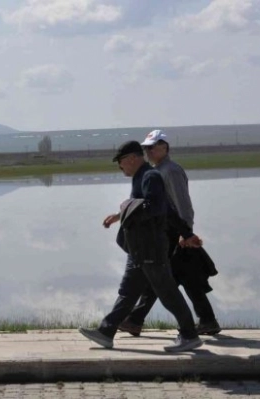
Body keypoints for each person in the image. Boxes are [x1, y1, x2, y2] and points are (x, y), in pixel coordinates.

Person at [78, 140, 204, 352]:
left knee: (167, 292)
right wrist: (122, 214)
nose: (120, 167)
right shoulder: (141, 177)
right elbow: (164, 209)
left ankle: (190, 335)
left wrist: (128, 207)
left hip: (151, 247)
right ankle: (106, 332)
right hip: (139, 248)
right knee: (128, 291)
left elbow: (156, 208)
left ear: (131, 158)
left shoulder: (150, 176)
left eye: (120, 162)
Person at [118, 130, 221, 337]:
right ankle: (206, 321)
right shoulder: (158, 170)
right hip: (169, 234)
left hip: (174, 235)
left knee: (161, 277)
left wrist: (186, 233)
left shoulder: (170, 171)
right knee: (180, 277)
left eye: (153, 147)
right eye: (146, 148)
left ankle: (135, 320)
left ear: (164, 147)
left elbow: (181, 204)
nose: (148, 151)